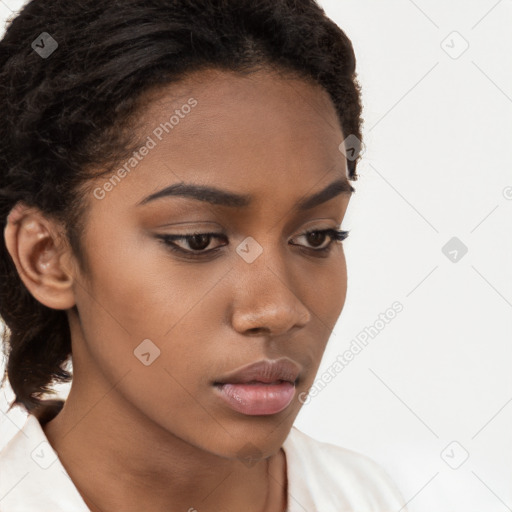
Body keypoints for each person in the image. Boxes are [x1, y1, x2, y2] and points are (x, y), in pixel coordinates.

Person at [0, 0, 407, 510]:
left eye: (318, 236)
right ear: (47, 256)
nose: (279, 310)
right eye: (197, 240)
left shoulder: (374, 498)